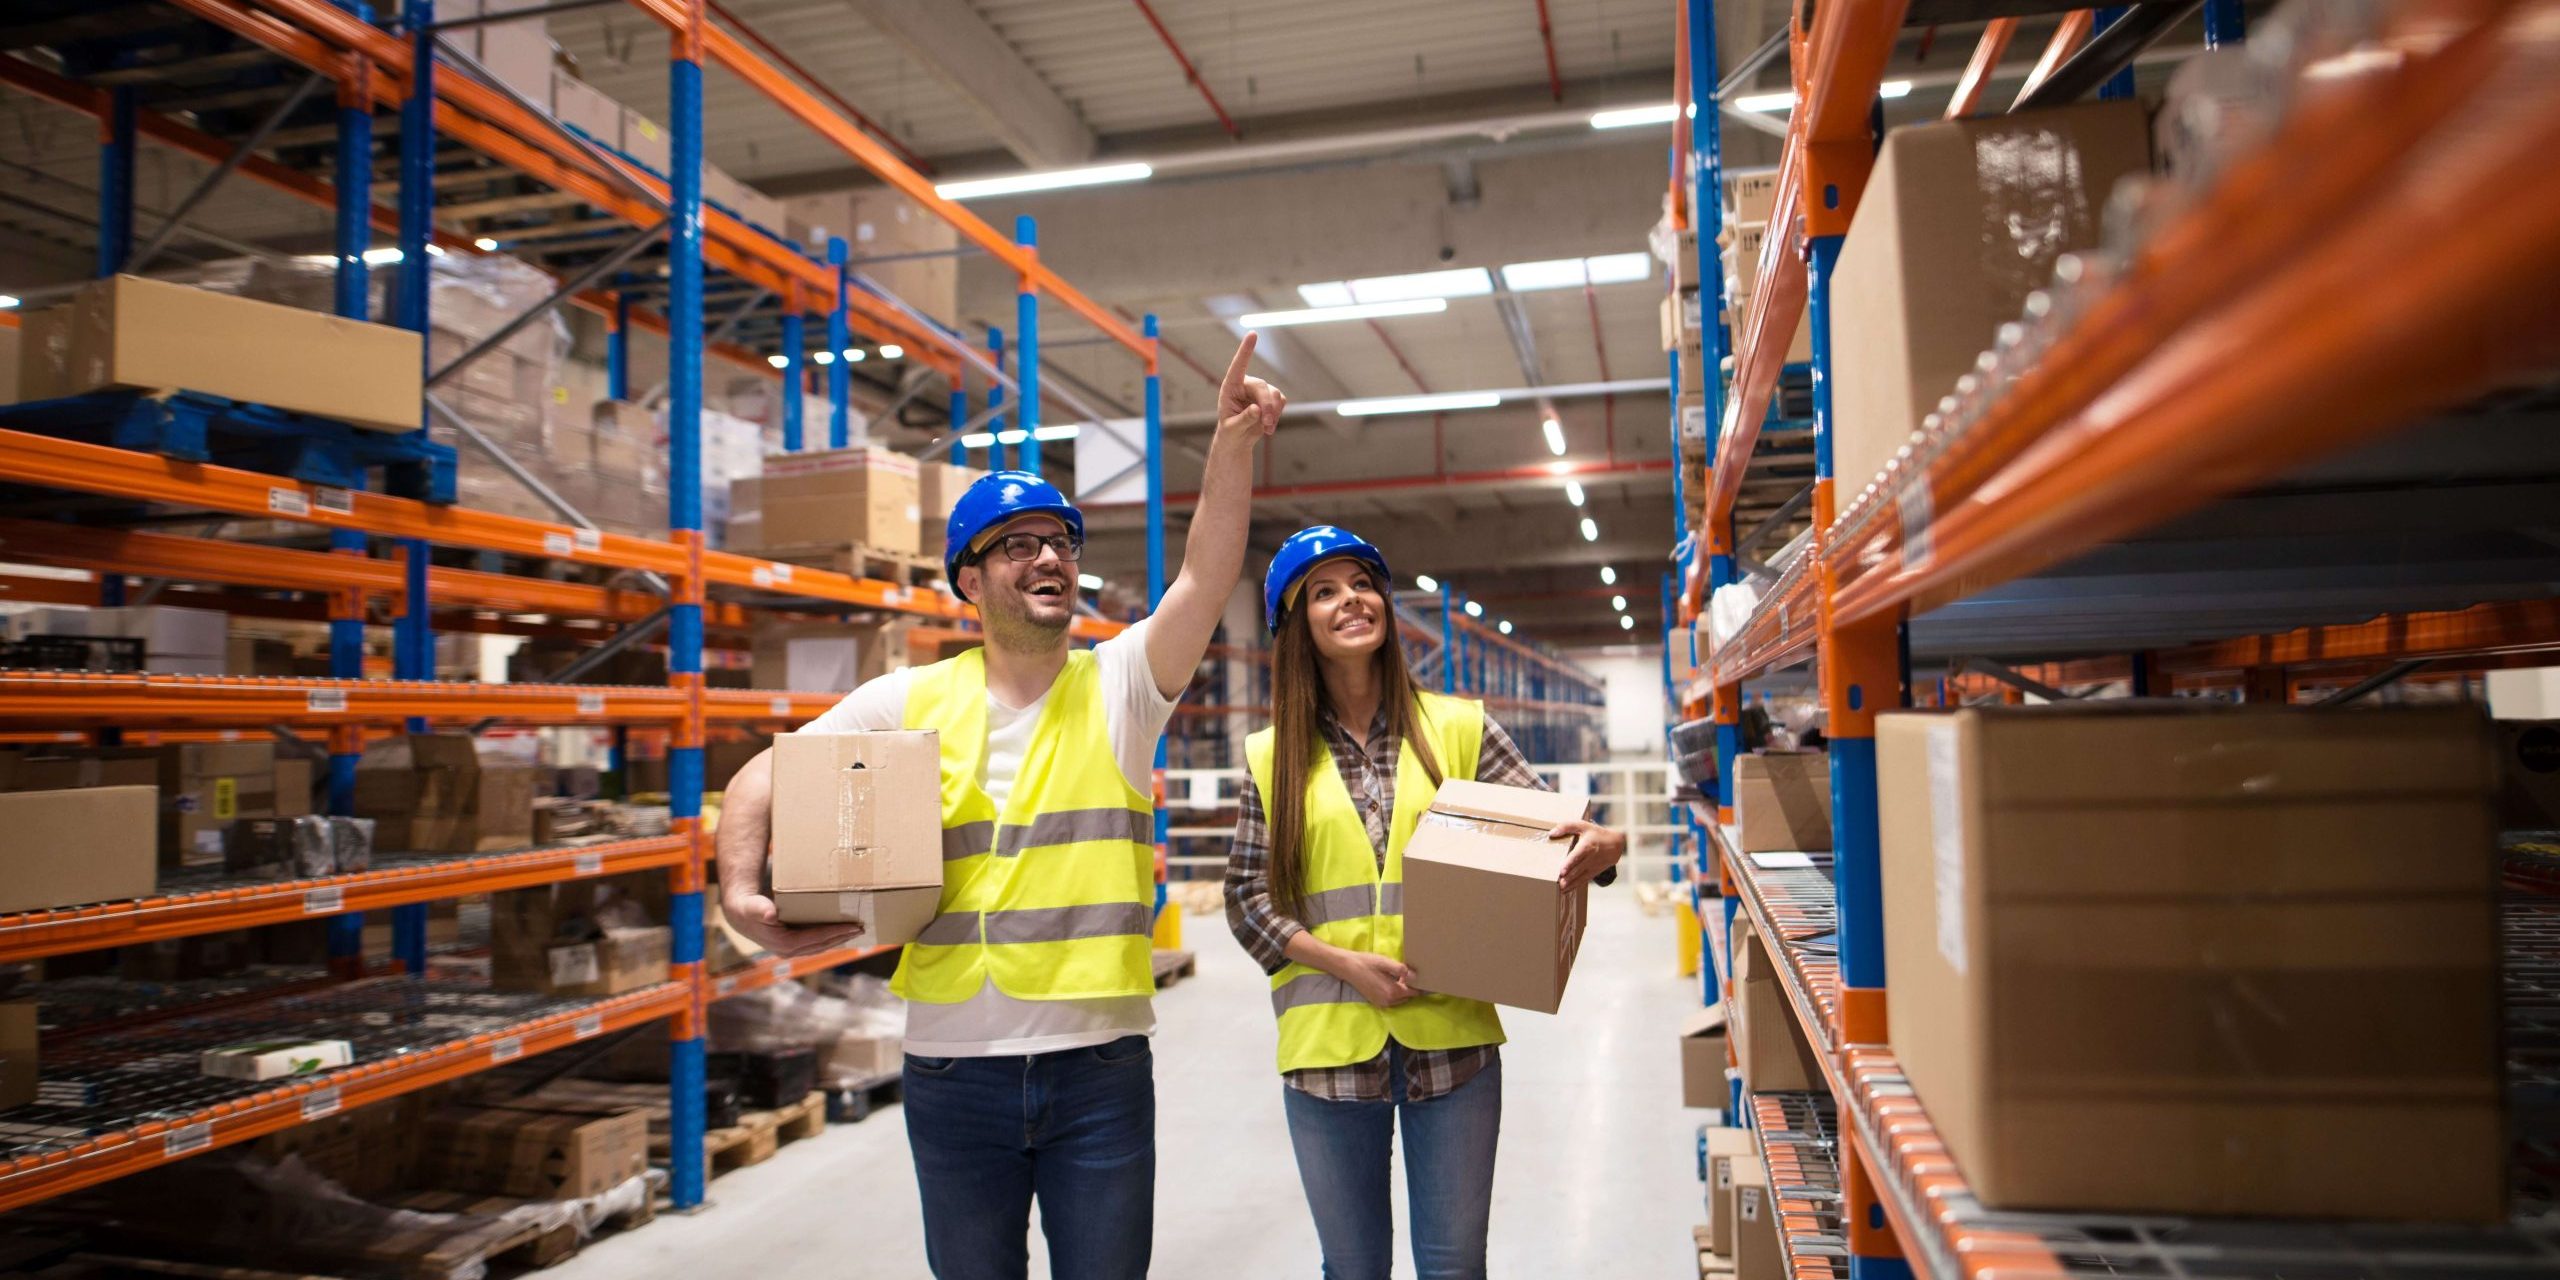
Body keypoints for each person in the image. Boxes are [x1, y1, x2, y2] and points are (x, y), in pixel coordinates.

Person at [715, 334, 1285, 1280]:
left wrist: (1230, 448)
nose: (1047, 557)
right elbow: (759, 779)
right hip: (950, 1070)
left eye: (1060, 541)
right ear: (970, 581)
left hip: (1098, 1067)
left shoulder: (1122, 687)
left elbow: (1203, 579)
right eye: (1017, 545)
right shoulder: (907, 702)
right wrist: (740, 892)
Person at [1224, 525, 1627, 1280]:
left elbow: (1552, 838)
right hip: (1328, 1061)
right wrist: (1343, 963)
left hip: (1455, 1054)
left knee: (1454, 1269)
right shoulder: (1270, 753)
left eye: (1363, 583)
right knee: (1353, 1269)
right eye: (1325, 591)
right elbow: (1247, 902)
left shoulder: (1457, 727)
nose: (1352, 600)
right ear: (1294, 624)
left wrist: (1605, 847)